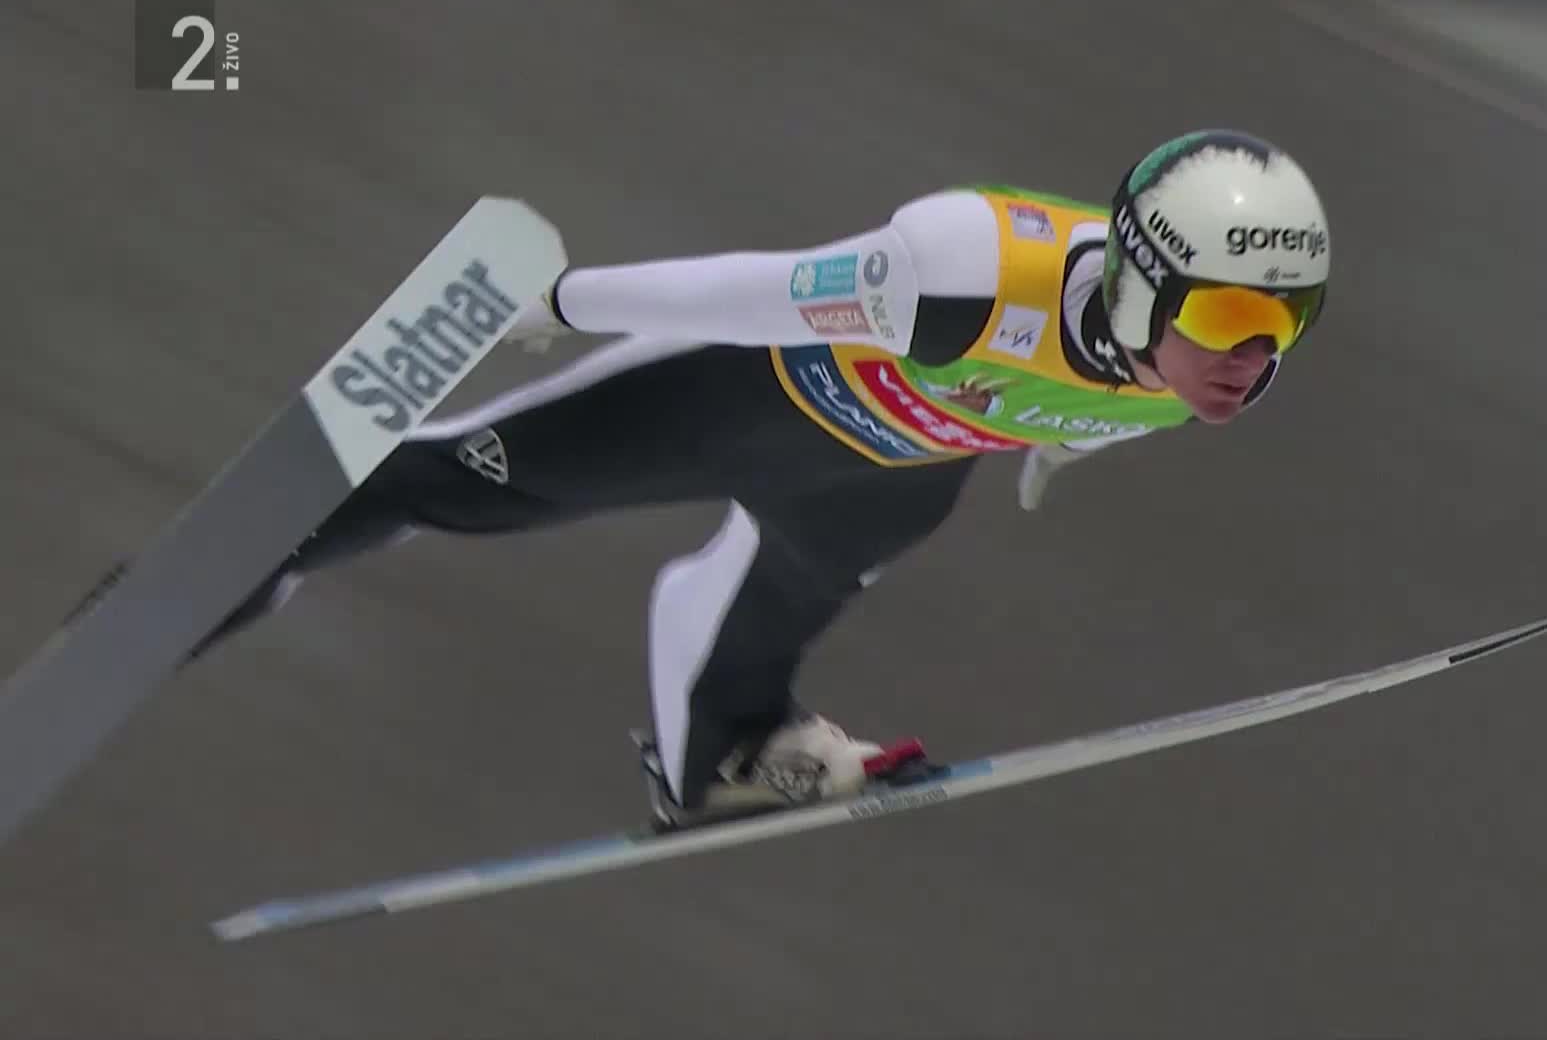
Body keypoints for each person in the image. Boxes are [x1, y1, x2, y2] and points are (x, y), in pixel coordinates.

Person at [190, 128, 1333, 827]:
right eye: (1229, 315)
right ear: (1138, 281)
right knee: (462, 485)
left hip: (894, 473)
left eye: (1286, 322)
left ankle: (722, 753)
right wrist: (569, 302)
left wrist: (1060, 445)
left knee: (782, 605)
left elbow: (1098, 401)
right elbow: (751, 291)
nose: (1252, 358)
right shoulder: (970, 271)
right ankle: (227, 567)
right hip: (744, 401)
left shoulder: (1192, 375)